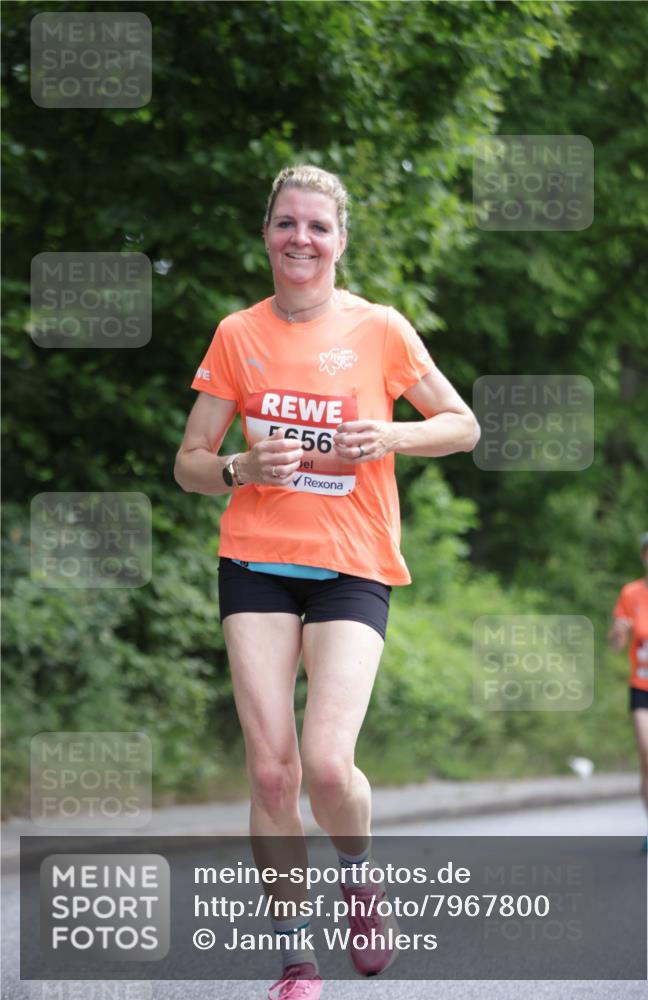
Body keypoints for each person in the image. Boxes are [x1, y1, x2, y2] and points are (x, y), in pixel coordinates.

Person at [174, 164, 480, 999]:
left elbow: (460, 425)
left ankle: (358, 873)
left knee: (326, 766)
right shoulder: (236, 334)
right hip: (255, 565)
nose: (299, 239)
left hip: (350, 568)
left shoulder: (379, 328)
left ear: (340, 241)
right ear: (266, 235)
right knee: (271, 774)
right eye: (285, 224)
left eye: (316, 226)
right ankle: (296, 963)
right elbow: (189, 463)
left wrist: (390, 436)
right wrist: (237, 463)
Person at [608, 525, 648, 856]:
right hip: (644, 685)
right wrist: (619, 632)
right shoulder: (631, 594)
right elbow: (615, 644)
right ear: (645, 555)